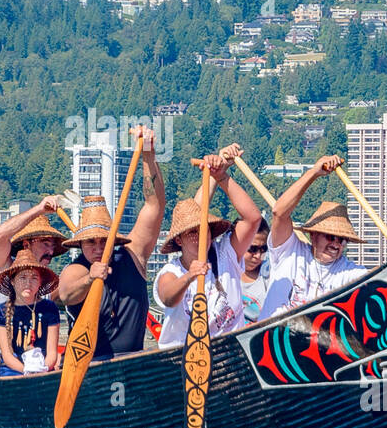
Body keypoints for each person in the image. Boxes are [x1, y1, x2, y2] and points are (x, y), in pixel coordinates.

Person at [58, 125, 166, 361]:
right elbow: (66, 294)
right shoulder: (76, 269)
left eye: (103, 240)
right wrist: (90, 278)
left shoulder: (133, 255)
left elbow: (154, 206)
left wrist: (148, 155)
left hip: (132, 361)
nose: (97, 247)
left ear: (113, 239)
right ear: (81, 244)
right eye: (90, 242)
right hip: (90, 364)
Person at [155, 148, 261, 348]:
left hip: (230, 351)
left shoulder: (225, 253)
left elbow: (253, 219)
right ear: (179, 241)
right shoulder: (172, 271)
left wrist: (221, 177)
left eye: (205, 229)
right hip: (183, 355)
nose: (201, 235)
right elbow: (168, 297)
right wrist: (189, 277)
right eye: (192, 233)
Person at [0, 199, 67, 380]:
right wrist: (39, 209)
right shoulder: (2, 269)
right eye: (46, 243)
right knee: (3, 375)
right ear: (26, 244)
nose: (51, 251)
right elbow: (1, 235)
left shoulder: (44, 286)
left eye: (53, 246)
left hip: (31, 359)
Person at [262, 154, 368, 317]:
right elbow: (279, 212)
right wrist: (313, 173)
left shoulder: (347, 271)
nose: (336, 244)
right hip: (271, 337)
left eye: (342, 240)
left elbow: (378, 280)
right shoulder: (290, 252)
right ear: (313, 235)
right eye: (330, 237)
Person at [0, 248, 61, 376]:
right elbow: (7, 355)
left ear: (40, 282)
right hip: (12, 369)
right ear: (12, 281)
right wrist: (26, 371)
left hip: (43, 368)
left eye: (34, 278)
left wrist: (42, 369)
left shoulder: (49, 308)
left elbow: (52, 353)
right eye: (22, 277)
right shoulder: (0, 311)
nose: (28, 283)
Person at [240, 217, 271, 324]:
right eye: (252, 249)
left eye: (263, 249)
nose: (258, 256)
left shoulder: (269, 276)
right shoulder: (222, 274)